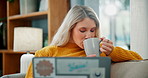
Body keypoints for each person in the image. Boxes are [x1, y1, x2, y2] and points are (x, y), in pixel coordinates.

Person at [25, 5, 142, 78]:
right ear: (69, 30)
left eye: (92, 30)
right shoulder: (46, 53)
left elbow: (139, 60)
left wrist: (112, 51)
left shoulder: (100, 52)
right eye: (82, 30)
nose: (89, 36)